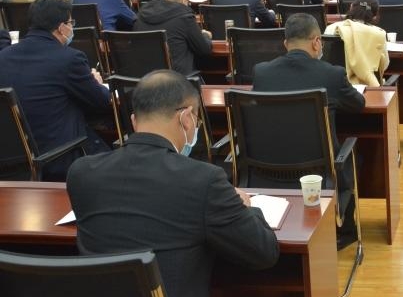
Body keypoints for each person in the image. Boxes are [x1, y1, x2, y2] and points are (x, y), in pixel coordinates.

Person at [67, 70, 280, 297]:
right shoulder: (203, 180)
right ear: (186, 118)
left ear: (134, 121)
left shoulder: (81, 173)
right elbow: (263, 253)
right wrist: (246, 207)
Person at [252, 13, 366, 249]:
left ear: (286, 43)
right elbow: (358, 104)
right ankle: (344, 229)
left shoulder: (261, 72)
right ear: (316, 42)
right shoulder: (332, 74)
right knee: (357, 154)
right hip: (319, 170)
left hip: (267, 166)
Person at [0, 0, 112, 180]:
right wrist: (97, 83)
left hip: (13, 164)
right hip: (59, 158)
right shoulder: (69, 59)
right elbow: (101, 101)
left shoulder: (3, 57)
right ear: (61, 28)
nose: (72, 28)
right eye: (71, 23)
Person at [133, 0, 212, 75]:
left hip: (144, 77)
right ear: (185, 0)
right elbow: (204, 50)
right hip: (176, 79)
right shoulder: (185, 17)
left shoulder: (141, 15)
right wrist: (205, 36)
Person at [324, 0, 389, 86]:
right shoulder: (378, 34)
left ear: (351, 7)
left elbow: (326, 59)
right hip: (368, 87)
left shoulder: (331, 28)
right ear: (374, 16)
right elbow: (384, 65)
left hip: (334, 85)